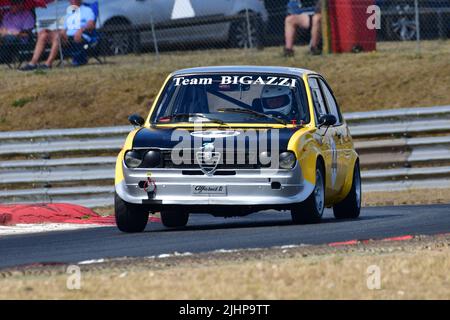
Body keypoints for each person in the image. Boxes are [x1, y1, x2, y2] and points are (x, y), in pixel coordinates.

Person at [20, 0, 95, 71]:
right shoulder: (70, 12)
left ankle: (48, 64)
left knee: (57, 37)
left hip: (80, 37)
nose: (71, 1)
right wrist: (52, 32)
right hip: (66, 37)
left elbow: (91, 24)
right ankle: (33, 63)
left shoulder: (87, 10)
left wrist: (81, 29)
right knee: (43, 34)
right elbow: (63, 30)